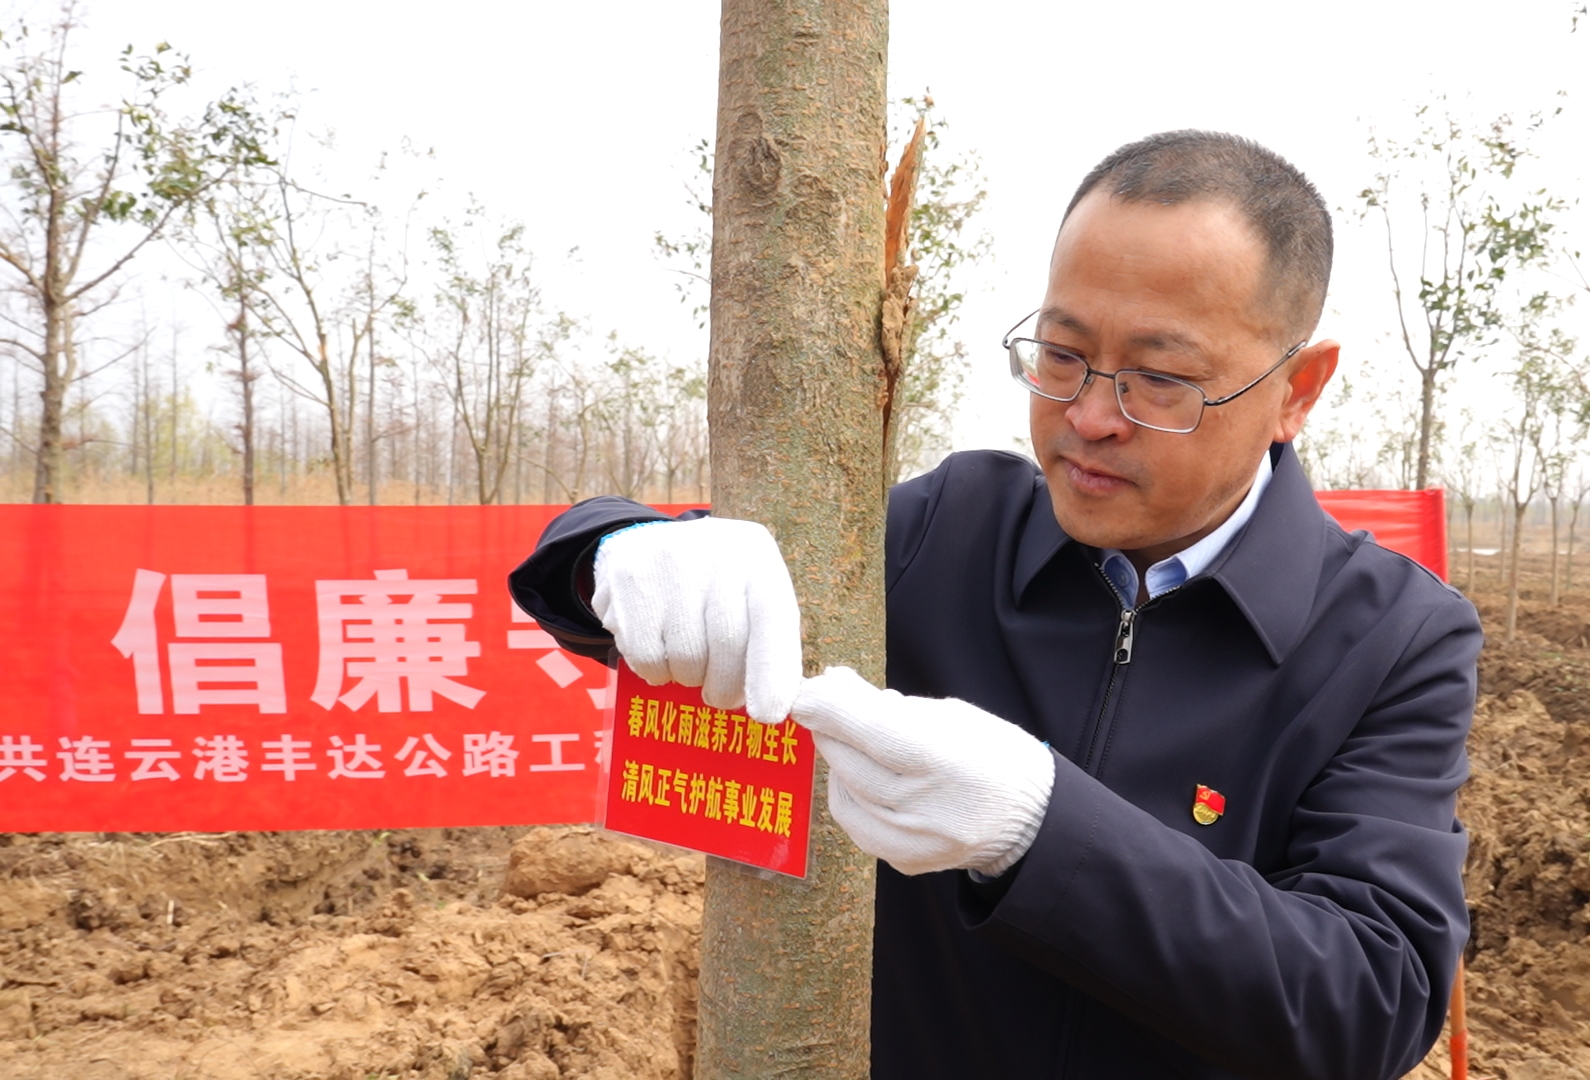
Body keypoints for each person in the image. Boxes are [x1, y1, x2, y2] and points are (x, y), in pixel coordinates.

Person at [509, 131, 1480, 1080]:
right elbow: (654, 585)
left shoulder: (1393, 638)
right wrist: (617, 555)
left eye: (1160, 379)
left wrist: (1039, 828)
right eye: (1062, 354)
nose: (1089, 417)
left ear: (1297, 389)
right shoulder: (950, 528)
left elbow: (1373, 997)